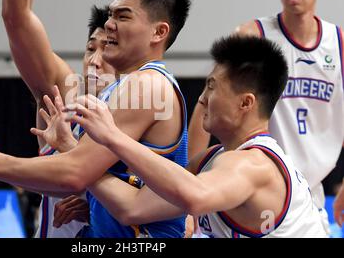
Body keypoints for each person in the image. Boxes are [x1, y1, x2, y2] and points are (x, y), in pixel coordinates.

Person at [0, 0, 192, 238]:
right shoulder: (108, 94)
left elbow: (75, 175)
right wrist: (73, 158)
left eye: (123, 16)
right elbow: (85, 180)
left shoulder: (146, 85)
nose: (110, 24)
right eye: (111, 15)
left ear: (158, 32)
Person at [65, 36, 327, 238]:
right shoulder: (212, 161)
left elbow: (194, 196)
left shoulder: (254, 165)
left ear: (245, 103)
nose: (202, 98)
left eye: (212, 86)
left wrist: (112, 136)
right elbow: (132, 208)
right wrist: (71, 149)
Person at [188, 0, 344, 233]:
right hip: (254, 188)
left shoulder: (340, 44)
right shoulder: (252, 35)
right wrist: (190, 179)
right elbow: (205, 103)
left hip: (309, 194)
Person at [1, 0, 115, 238]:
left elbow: (163, 206)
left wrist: (98, 206)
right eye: (91, 48)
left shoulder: (145, 108)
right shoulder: (66, 94)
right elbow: (16, 16)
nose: (95, 60)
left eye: (108, 49)